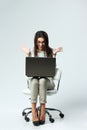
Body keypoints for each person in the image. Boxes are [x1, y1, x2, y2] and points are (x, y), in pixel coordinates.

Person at [21, 30, 63, 126]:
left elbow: (52, 71)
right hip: (34, 81)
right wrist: (27, 55)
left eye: (43, 42)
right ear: (35, 42)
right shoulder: (31, 51)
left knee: (42, 80)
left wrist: (54, 55)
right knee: (36, 81)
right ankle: (34, 110)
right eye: (39, 42)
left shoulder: (50, 51)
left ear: (46, 42)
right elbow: (29, 72)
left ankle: (43, 110)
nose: (41, 44)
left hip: (48, 81)